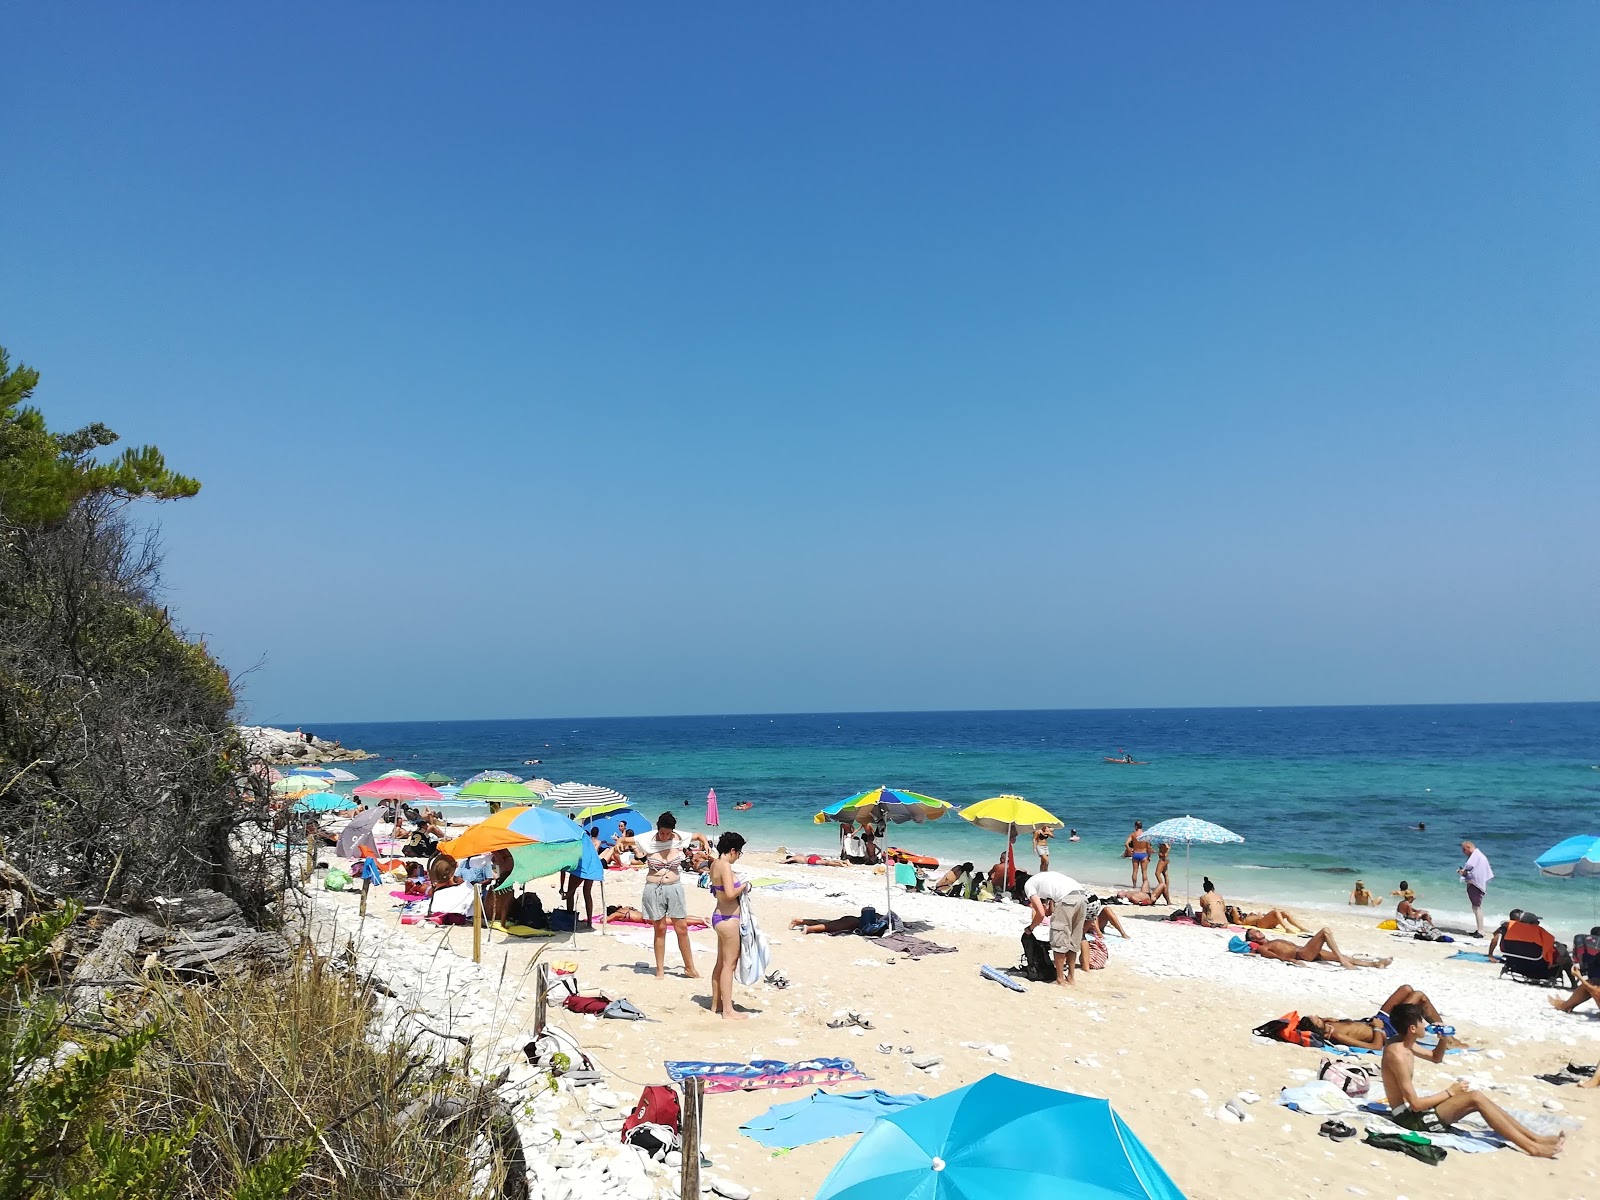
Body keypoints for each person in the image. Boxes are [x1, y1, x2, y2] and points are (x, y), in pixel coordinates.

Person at [1381, 1003, 1562, 1157]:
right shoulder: (1397, 1054)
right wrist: (1450, 1092)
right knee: (1474, 1098)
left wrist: (1443, 1040)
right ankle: (1532, 1148)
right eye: (1422, 1021)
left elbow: (1435, 1057)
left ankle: (1534, 1138)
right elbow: (1416, 1105)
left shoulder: (1404, 1043)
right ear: (1412, 1029)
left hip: (1414, 1113)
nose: (1425, 1025)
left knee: (1476, 1097)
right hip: (1408, 1119)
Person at [639, 812, 704, 981]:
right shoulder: (648, 840)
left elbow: (699, 836)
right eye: (662, 833)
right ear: (657, 828)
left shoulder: (679, 838)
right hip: (653, 888)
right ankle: (660, 970)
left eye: (668, 833)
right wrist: (617, 843)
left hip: (674, 888)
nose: (664, 836)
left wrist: (705, 844)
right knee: (659, 929)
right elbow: (626, 841)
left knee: (681, 928)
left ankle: (690, 968)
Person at [1297, 984, 1456, 1050]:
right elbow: (1375, 1047)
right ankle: (1446, 1035)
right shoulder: (1337, 1035)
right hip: (1387, 1028)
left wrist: (1326, 1019)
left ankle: (1442, 1030)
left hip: (1375, 1020)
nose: (1319, 1016)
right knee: (1419, 997)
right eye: (1317, 1019)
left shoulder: (1329, 1024)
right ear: (1317, 1029)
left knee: (1406, 989)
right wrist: (1377, 1028)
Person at [708, 831, 750, 1019]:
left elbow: (718, 891)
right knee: (729, 965)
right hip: (729, 919)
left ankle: (715, 1005)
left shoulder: (715, 864)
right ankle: (727, 1010)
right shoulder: (724, 866)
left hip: (719, 916)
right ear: (732, 850)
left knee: (720, 963)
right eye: (739, 853)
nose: (738, 857)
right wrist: (745, 885)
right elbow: (731, 893)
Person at [1023, 870, 1089, 986]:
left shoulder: (1028, 886)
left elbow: (1041, 914)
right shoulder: (1044, 880)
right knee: (1073, 940)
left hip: (1066, 899)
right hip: (1082, 897)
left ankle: (1059, 979)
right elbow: (1052, 902)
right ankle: (1071, 978)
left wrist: (1030, 928)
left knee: (1059, 940)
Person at [1243, 926, 1392, 969]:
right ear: (1253, 938)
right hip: (1302, 954)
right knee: (1325, 931)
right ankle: (1342, 960)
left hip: (1305, 950)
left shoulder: (1272, 940)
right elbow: (1276, 957)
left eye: (1256, 929)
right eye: (1254, 932)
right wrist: (1291, 960)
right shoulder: (1264, 948)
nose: (1258, 931)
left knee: (1340, 956)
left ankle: (1375, 964)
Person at [1458, 840, 1493, 937]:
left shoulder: (1476, 857)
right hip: (1475, 884)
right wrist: (1465, 872)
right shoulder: (1478, 856)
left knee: (1477, 907)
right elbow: (1474, 871)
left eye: (1464, 849)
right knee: (1476, 907)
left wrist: (1463, 873)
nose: (1463, 852)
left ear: (1469, 847)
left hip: (1476, 884)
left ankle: (1481, 930)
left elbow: (1473, 872)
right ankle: (1479, 929)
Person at [1226, 904, 1311, 935]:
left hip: (1265, 922)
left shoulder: (1247, 916)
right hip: (1261, 924)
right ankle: (1286, 928)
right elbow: (1234, 909)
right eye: (1236, 912)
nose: (1238, 912)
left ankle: (1301, 928)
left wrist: (1260, 915)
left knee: (1284, 912)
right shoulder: (1238, 921)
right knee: (1275, 911)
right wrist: (1229, 909)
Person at [1124, 821, 1151, 889]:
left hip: (1135, 854)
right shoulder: (1145, 835)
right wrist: (1149, 856)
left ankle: (1134, 886)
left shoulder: (1133, 834)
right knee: (1144, 872)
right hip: (1144, 854)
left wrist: (1129, 850)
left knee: (1135, 871)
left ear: (1136, 826)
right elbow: (1148, 847)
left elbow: (1126, 844)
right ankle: (1144, 887)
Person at [789, 914, 860, 934]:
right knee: (832, 926)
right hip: (853, 922)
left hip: (852, 918)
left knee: (827, 923)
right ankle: (809, 928)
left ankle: (798, 921)